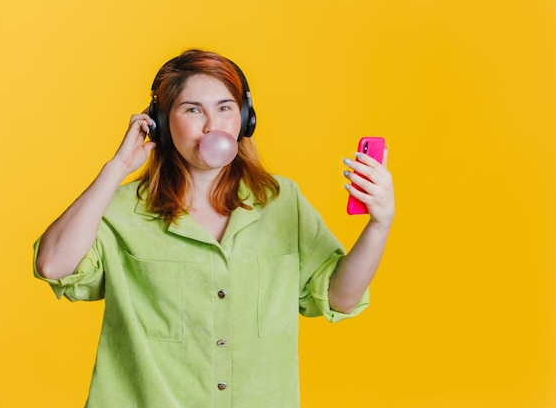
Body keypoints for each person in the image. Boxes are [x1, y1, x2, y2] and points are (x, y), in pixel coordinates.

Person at [33, 49, 395, 408]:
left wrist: (379, 224)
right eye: (193, 110)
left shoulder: (283, 201)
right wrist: (116, 168)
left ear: (245, 118)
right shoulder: (121, 209)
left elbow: (339, 298)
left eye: (224, 108)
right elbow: (52, 266)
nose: (212, 126)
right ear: (161, 121)